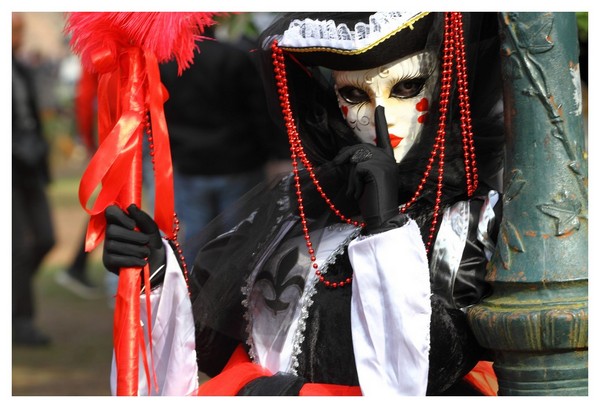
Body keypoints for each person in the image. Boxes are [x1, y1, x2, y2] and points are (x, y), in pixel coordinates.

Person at [102, 12, 505, 395]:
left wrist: (386, 228)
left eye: (405, 87)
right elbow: (211, 345)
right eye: (354, 94)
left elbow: (429, 369)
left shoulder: (470, 222)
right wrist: (156, 274)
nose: (380, 118)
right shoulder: (299, 206)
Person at [159, 24, 290, 263]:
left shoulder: (166, 64)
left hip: (193, 164)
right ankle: (233, 294)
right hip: (236, 163)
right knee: (240, 239)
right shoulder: (233, 56)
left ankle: (194, 294)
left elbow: (160, 117)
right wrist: (277, 153)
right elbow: (260, 112)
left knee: (197, 239)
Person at [12, 12, 56, 346]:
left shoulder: (22, 69)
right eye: (14, 31)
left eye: (20, 30)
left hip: (30, 170)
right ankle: (19, 322)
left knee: (46, 238)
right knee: (15, 249)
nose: (18, 36)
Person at [55, 67, 104, 300]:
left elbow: (84, 96)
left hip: (114, 133)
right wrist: (88, 139)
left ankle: (79, 266)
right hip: (117, 133)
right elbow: (85, 96)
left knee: (111, 203)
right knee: (113, 203)